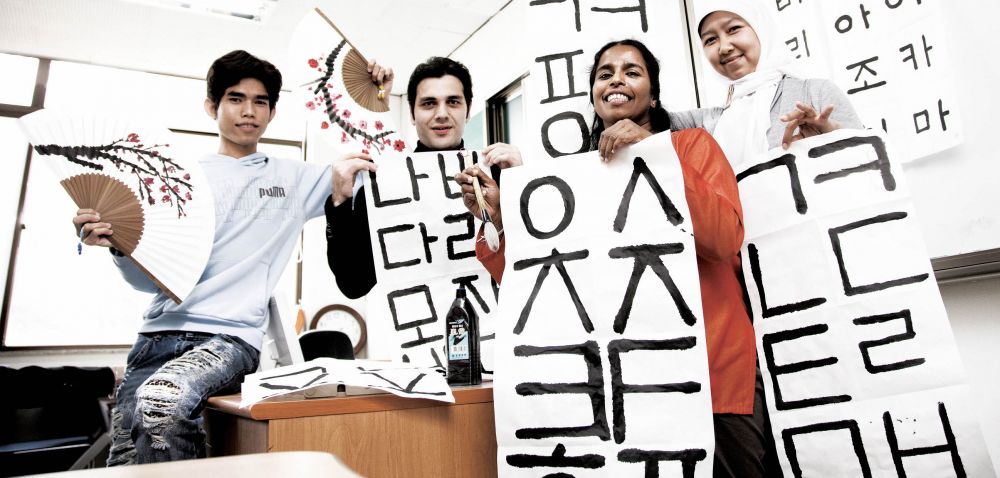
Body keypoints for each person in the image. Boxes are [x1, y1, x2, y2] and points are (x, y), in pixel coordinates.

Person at [457, 39, 765, 477]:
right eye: (605, 74)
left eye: (632, 72)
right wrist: (501, 218)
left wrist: (652, 153)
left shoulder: (692, 146)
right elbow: (543, 288)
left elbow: (721, 240)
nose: (616, 80)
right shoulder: (577, 176)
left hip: (711, 376)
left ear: (653, 96)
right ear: (594, 96)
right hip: (629, 391)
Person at [72, 50, 335, 465]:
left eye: (260, 101)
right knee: (123, 463)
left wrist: (375, 98)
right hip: (155, 337)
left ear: (272, 112)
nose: (248, 111)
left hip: (229, 339)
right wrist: (118, 244)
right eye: (235, 99)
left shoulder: (295, 179)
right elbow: (145, 281)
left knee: (161, 404)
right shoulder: (176, 179)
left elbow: (373, 170)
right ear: (212, 106)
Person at [325, 56, 522, 299]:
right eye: (429, 103)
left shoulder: (498, 175)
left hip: (491, 319)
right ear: (412, 113)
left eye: (453, 102)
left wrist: (523, 184)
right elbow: (353, 284)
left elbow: (530, 268)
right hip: (412, 318)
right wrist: (340, 203)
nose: (442, 114)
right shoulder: (383, 184)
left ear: (468, 110)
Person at [671, 5, 862, 165]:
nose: (724, 47)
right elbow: (655, 120)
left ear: (761, 29)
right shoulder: (710, 122)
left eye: (733, 29)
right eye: (710, 40)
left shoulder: (815, 92)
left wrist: (834, 140)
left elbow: (869, 162)